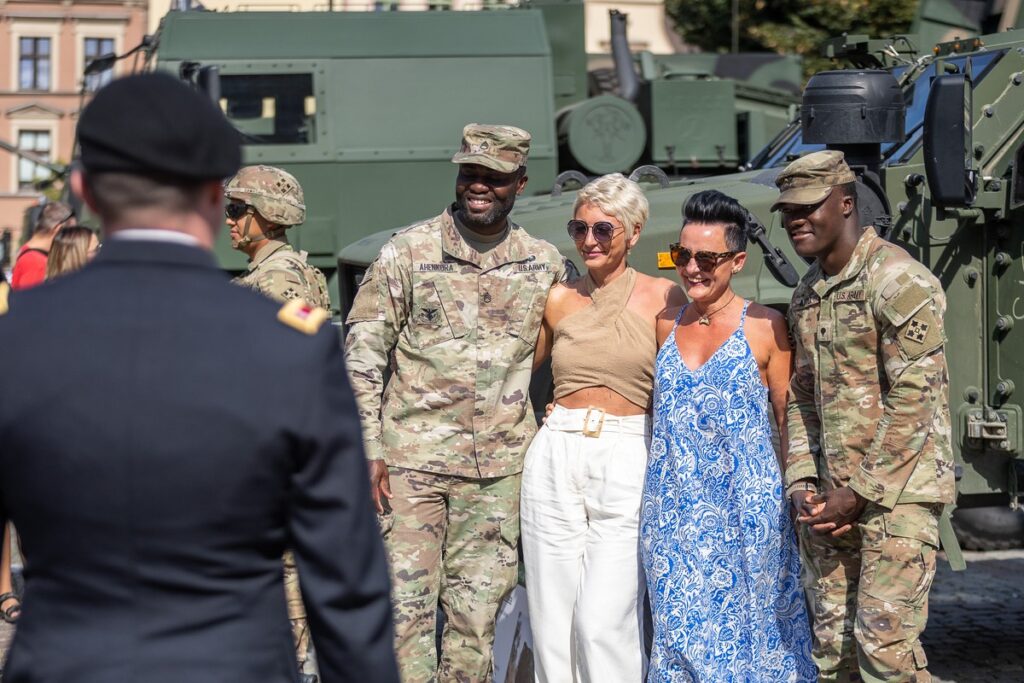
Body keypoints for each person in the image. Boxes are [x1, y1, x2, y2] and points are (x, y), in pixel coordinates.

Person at [0, 72, 398, 683]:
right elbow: (343, 576)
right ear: (215, 197)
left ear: (83, 190)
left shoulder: (17, 337)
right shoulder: (294, 347)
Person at [345, 123, 567, 683]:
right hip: (409, 466)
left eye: (494, 176)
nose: (479, 185)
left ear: (519, 182)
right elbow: (362, 356)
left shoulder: (544, 264)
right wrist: (367, 449)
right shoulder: (408, 252)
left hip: (496, 475)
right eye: (471, 172)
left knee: (476, 621)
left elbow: (575, 353)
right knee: (404, 614)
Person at [773, 150, 954, 683]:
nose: (795, 221)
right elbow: (802, 396)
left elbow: (915, 400)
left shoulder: (898, 281)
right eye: (788, 211)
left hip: (897, 498)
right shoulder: (808, 294)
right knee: (834, 658)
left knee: (885, 652)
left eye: (809, 207)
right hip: (832, 501)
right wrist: (801, 480)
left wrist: (862, 492)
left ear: (847, 204)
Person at [640, 190, 816, 681]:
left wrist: (798, 491)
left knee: (757, 629)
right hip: (673, 508)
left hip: (748, 507)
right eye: (682, 255)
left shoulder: (765, 326)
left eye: (707, 258)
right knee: (676, 631)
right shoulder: (663, 326)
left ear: (737, 261)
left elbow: (788, 417)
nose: (692, 268)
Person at [520, 173, 682, 682]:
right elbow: (513, 375)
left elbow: (686, 383)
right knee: (552, 616)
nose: (588, 241)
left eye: (603, 230)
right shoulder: (558, 300)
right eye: (579, 228)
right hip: (557, 450)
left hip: (629, 449)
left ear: (634, 233)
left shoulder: (665, 296)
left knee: (602, 619)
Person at [224, 164, 330, 677]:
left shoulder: (280, 280)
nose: (229, 221)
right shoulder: (281, 274)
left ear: (266, 216)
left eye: (237, 211)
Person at [225, 165, 331, 311]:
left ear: (269, 218)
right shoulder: (265, 272)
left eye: (235, 210)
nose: (229, 221)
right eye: (228, 210)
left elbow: (293, 333)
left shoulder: (278, 276)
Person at [11, 202, 75, 290]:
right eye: (72, 233)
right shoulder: (37, 263)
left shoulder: (29, 253)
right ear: (57, 229)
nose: (74, 238)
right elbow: (32, 301)